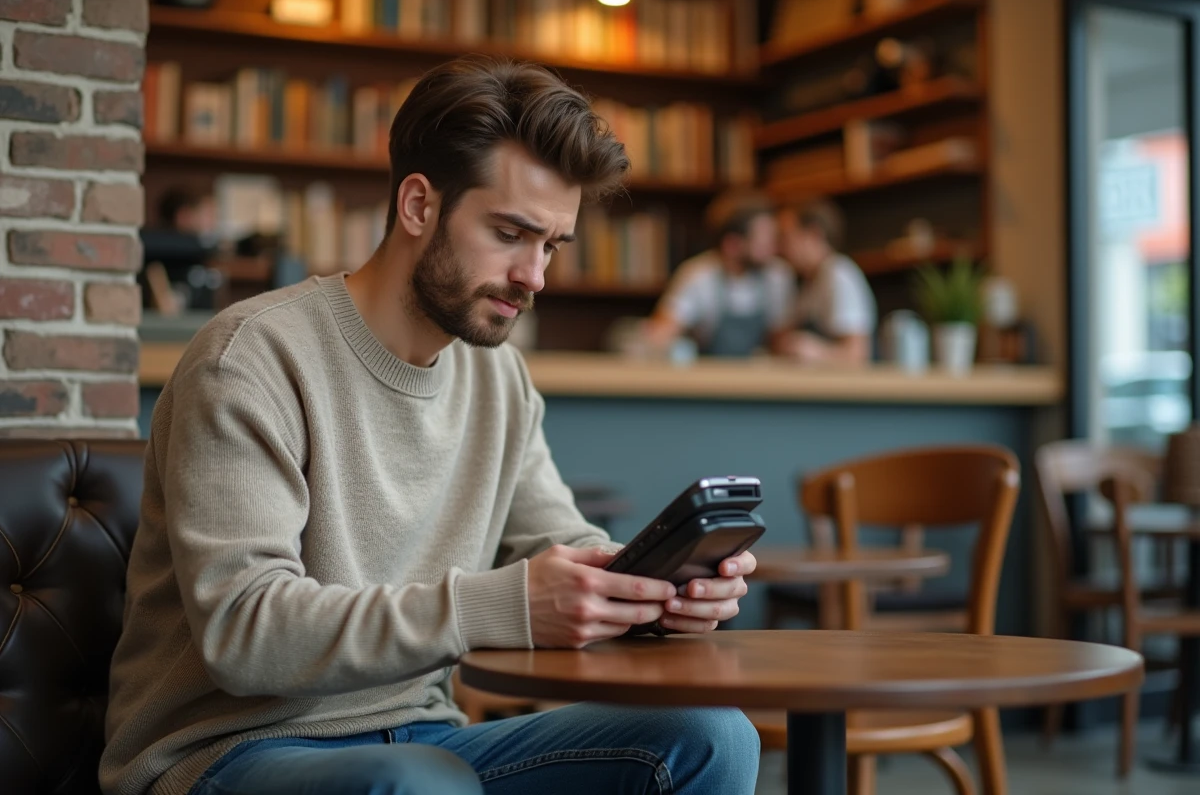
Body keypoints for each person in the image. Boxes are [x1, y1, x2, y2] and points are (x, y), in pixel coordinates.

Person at [100, 57, 760, 795]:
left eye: (552, 245)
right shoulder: (249, 357)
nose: (535, 276)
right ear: (418, 205)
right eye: (511, 233)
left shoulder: (498, 377)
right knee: (417, 786)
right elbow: (244, 632)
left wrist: (651, 591)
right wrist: (504, 604)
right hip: (229, 752)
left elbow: (559, 543)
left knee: (712, 737)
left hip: (427, 740)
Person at [644, 189, 795, 357]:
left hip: (758, 377)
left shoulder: (777, 276)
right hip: (708, 377)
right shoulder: (698, 275)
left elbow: (780, 339)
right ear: (732, 245)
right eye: (764, 238)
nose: (774, 247)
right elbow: (661, 333)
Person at [774, 198, 877, 365]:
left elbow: (857, 355)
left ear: (814, 234)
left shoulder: (838, 273)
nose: (780, 247)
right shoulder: (809, 282)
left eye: (786, 237)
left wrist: (811, 350)